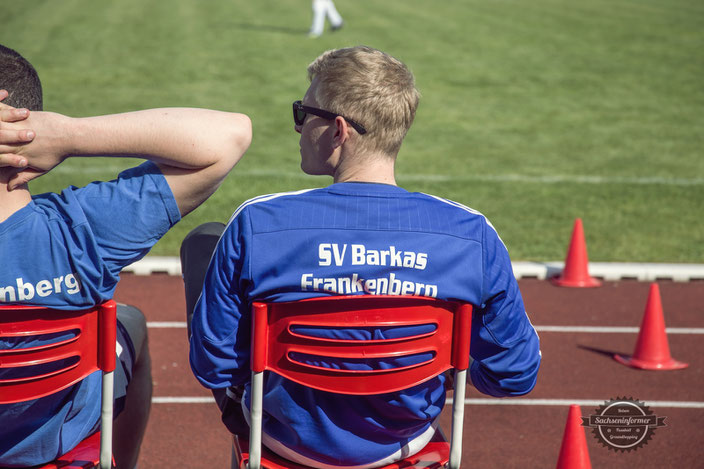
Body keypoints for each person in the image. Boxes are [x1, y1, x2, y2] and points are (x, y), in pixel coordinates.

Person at [184, 45, 541, 468]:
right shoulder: (471, 234)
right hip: (406, 440)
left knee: (204, 241)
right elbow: (514, 375)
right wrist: (438, 369)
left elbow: (213, 366)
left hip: (280, 440)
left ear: (339, 130)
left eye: (303, 114)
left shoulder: (258, 222)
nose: (298, 129)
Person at [0, 44, 251, 468]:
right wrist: (65, 135)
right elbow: (229, 135)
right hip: (54, 448)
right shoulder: (81, 231)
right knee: (128, 321)